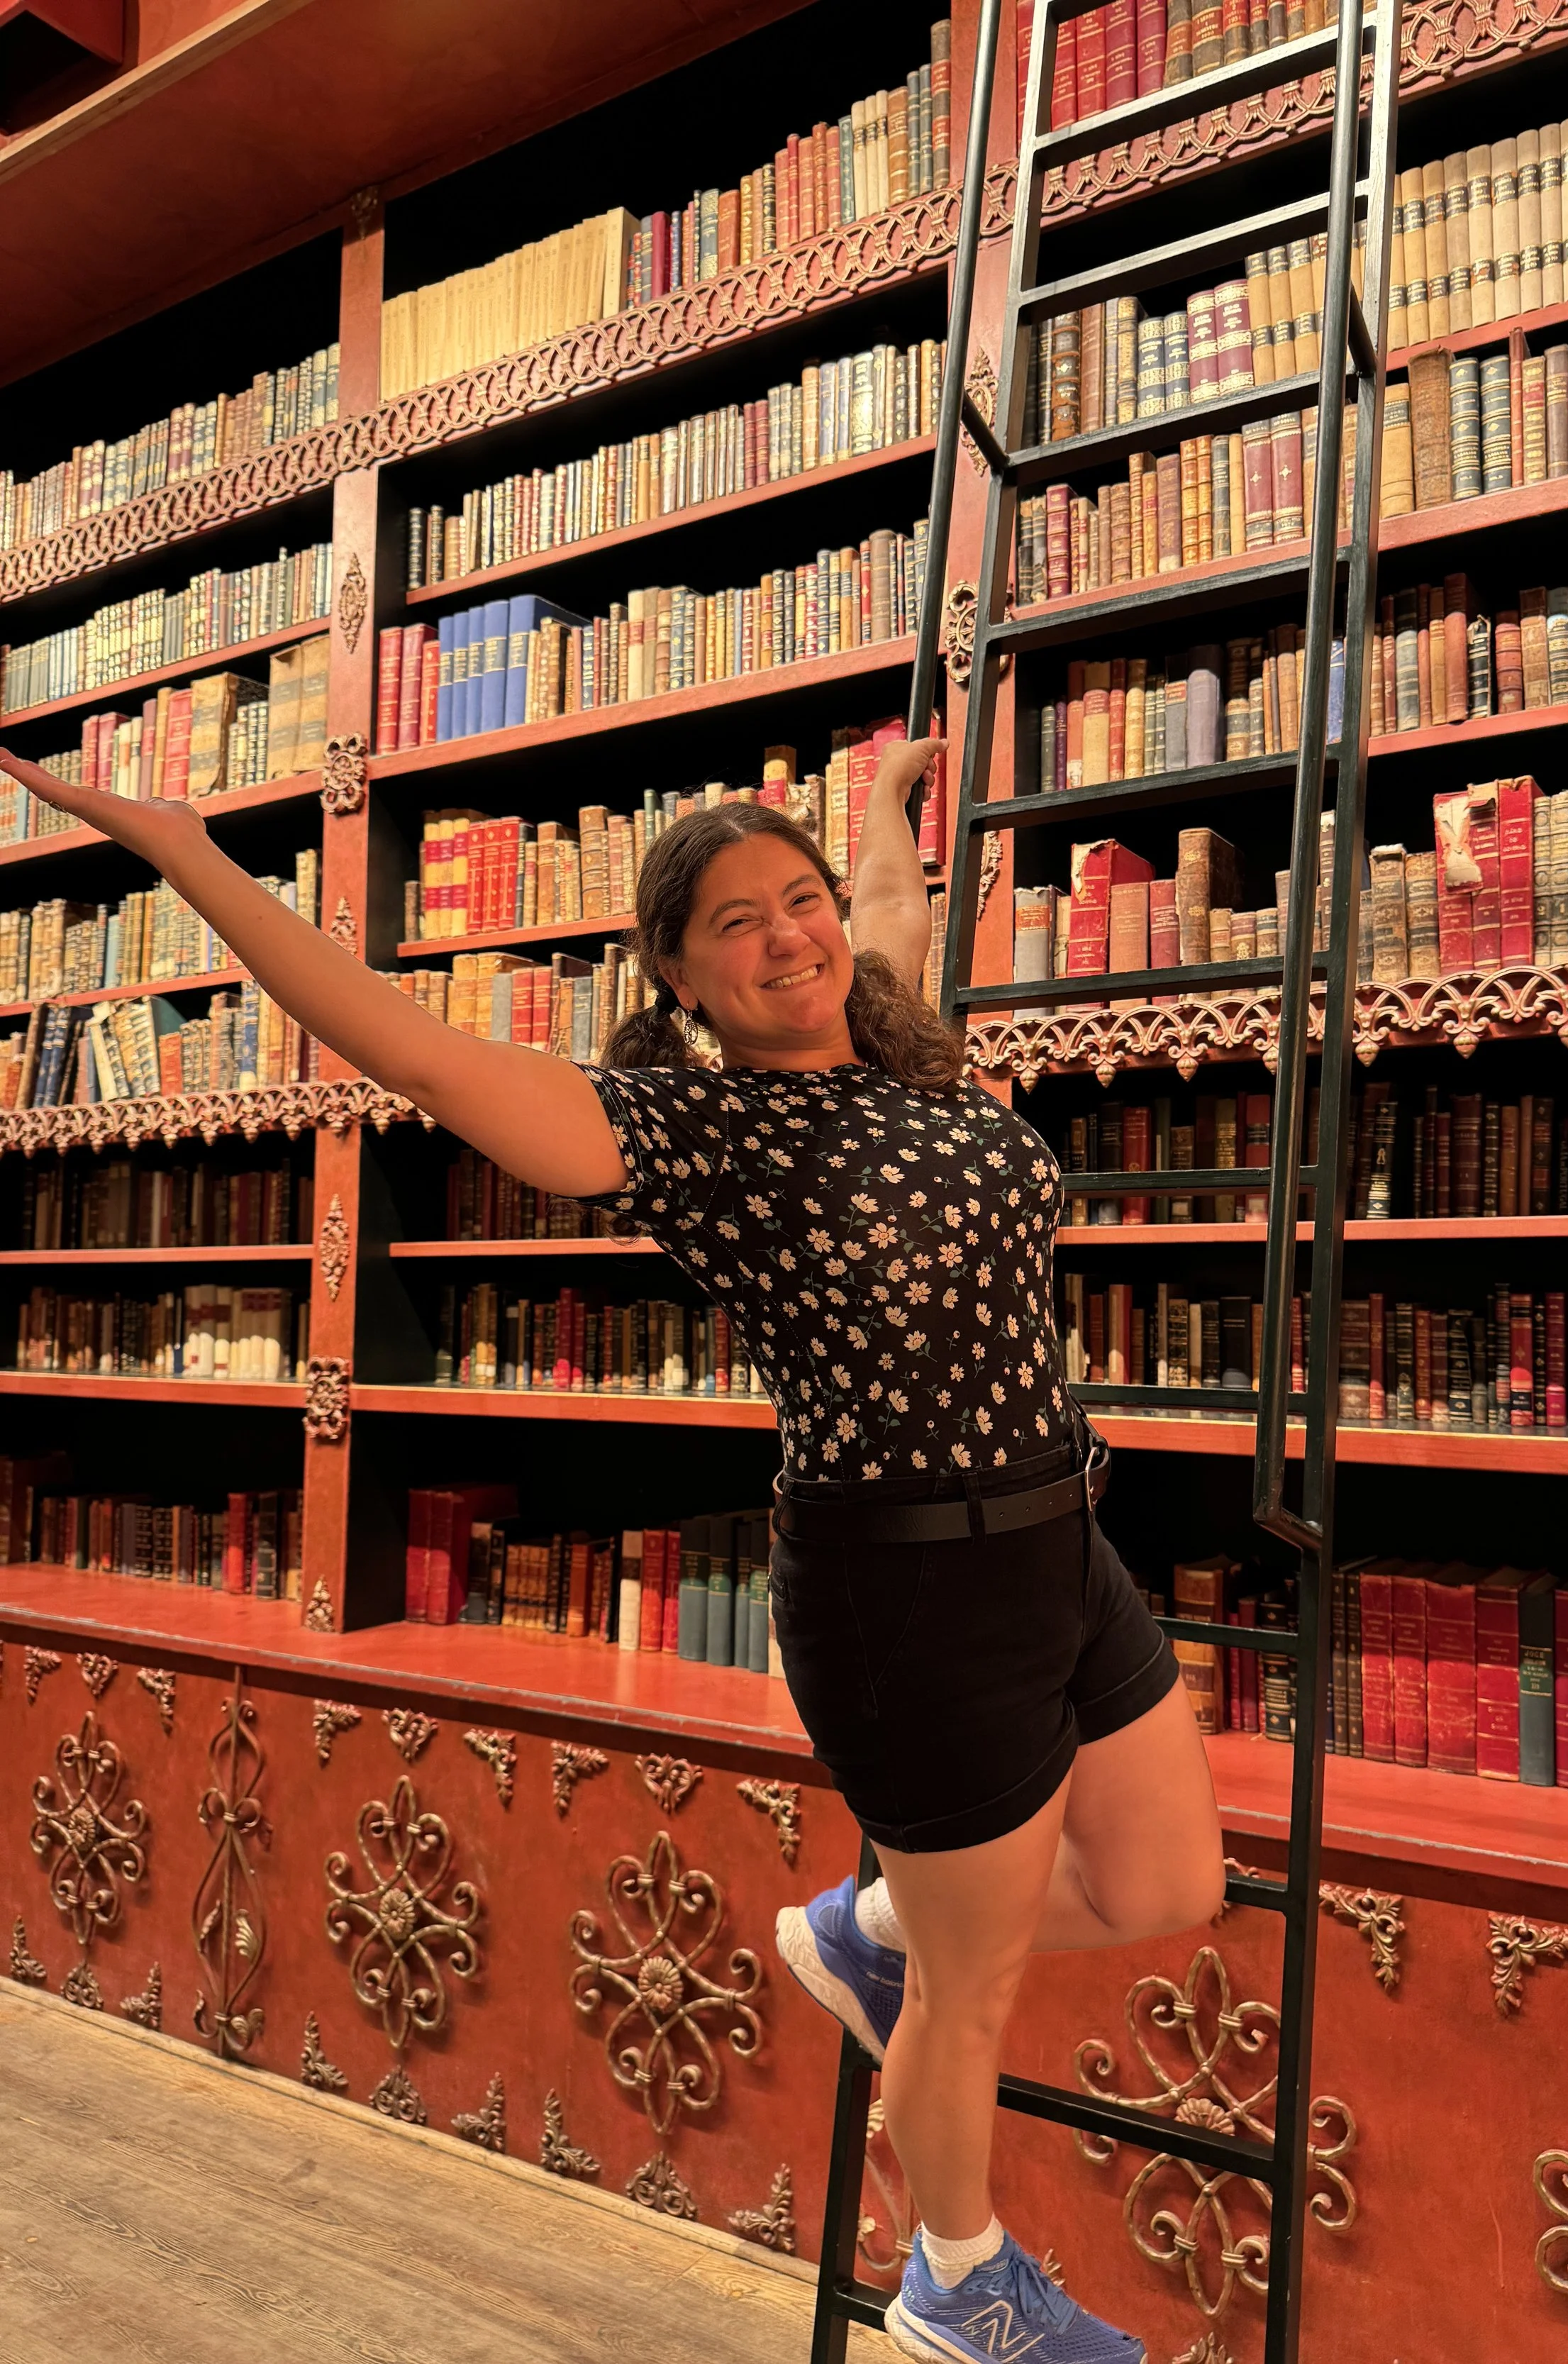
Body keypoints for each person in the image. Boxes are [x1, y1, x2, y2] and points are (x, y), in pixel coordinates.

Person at [0, 731, 1225, 2364]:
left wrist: (877, 815)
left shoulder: (898, 1050)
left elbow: (880, 916)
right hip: (908, 1588)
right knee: (970, 1987)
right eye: (736, 923)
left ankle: (867, 1931)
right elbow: (408, 1045)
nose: (788, 938)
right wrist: (190, 854)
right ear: (678, 976)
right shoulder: (688, 1135)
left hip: (1061, 1541)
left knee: (1166, 1882)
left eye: (797, 901)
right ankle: (957, 2279)